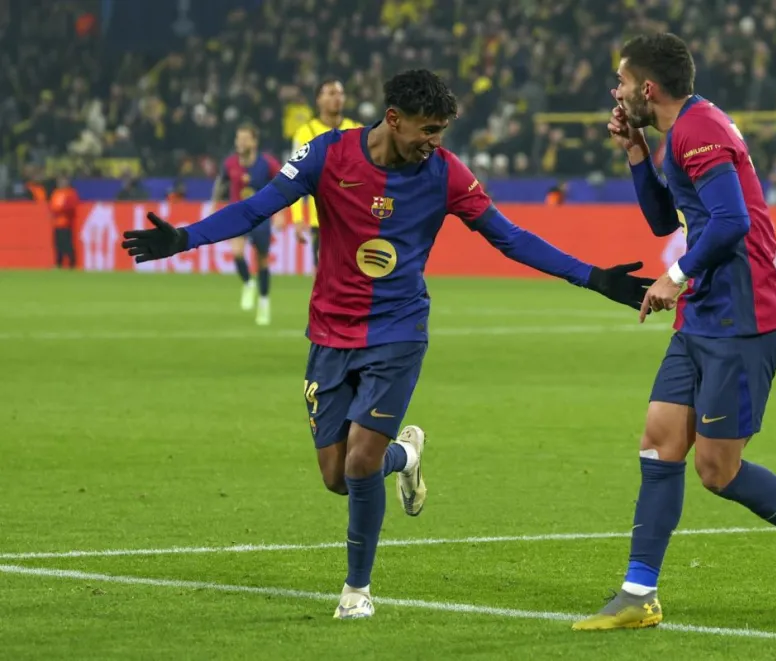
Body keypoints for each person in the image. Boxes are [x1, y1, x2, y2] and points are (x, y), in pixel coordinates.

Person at [121, 69, 652, 621]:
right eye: (428, 129)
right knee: (337, 476)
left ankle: (357, 590)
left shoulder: (446, 174)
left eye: (442, 130)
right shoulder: (328, 154)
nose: (435, 141)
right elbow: (258, 207)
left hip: (397, 332)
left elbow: (510, 238)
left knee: (359, 462)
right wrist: (185, 237)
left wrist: (593, 277)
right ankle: (407, 455)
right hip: (330, 332)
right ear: (393, 119)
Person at [571, 34, 776, 632]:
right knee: (659, 443)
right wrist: (636, 153)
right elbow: (665, 219)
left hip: (745, 319)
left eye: (621, 81)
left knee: (717, 471)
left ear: (647, 87)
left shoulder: (699, 129)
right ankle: (639, 594)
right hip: (703, 317)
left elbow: (732, 221)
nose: (615, 91)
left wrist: (676, 274)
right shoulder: (679, 133)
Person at [214, 122, 283, 325]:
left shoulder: (267, 163)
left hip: (261, 216)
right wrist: (214, 205)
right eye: (238, 138)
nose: (240, 142)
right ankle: (248, 283)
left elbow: (283, 184)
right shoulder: (230, 163)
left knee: (262, 261)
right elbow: (221, 183)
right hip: (238, 215)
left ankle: (264, 302)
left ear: (254, 142)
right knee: (237, 252)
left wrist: (280, 213)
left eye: (245, 139)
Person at [290, 79, 363, 266]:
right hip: (322, 220)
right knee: (325, 276)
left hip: (352, 219)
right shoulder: (306, 133)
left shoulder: (357, 129)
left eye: (340, 93)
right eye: (331, 93)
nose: (337, 98)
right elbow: (295, 177)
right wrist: (298, 218)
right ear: (319, 100)